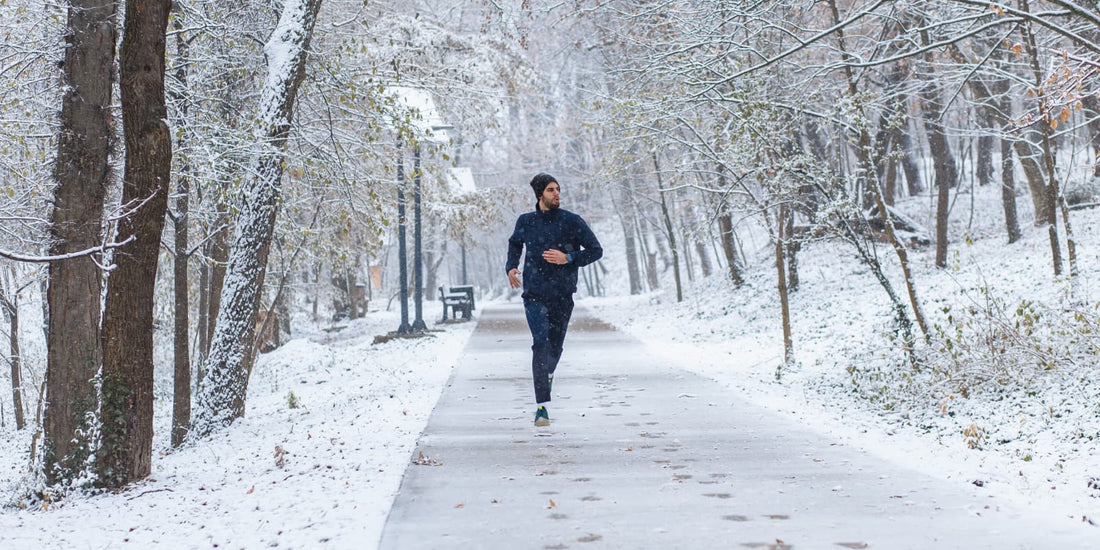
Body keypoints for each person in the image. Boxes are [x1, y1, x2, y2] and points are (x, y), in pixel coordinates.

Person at [506, 173, 603, 427]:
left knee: (555, 348)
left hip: (562, 294)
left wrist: (568, 258)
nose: (556, 193)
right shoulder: (526, 221)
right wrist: (511, 267)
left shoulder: (571, 221)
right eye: (551, 190)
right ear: (540, 194)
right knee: (540, 343)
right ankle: (542, 407)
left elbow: (596, 250)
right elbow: (515, 244)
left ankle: (546, 375)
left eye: (558, 189)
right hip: (534, 294)